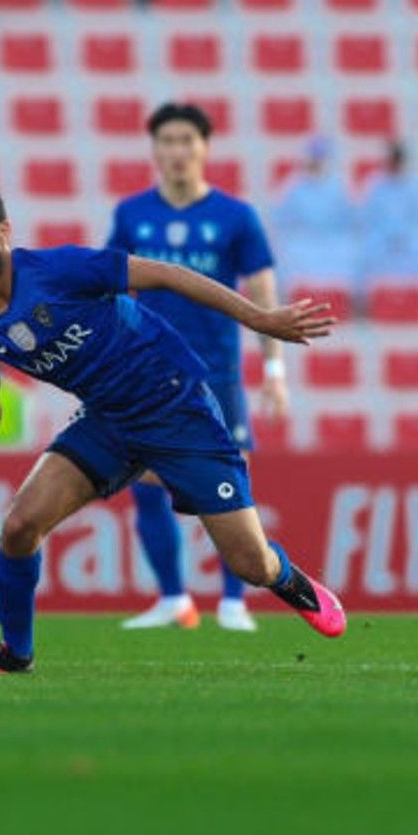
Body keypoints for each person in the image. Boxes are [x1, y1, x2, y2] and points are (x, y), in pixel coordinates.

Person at [0, 182, 343, 674]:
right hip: (107, 420)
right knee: (20, 527)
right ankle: (14, 653)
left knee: (250, 565)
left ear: (2, 231)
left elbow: (168, 274)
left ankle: (291, 581)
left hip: (175, 405)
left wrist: (258, 318)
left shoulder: (58, 269)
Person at [105, 103, 288, 632]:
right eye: (168, 140)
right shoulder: (132, 214)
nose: (178, 150)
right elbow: (111, 287)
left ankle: (233, 601)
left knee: (228, 482)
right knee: (144, 481)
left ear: (205, 147)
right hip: (148, 376)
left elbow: (263, 293)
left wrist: (274, 371)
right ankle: (173, 598)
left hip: (217, 375)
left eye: (188, 139)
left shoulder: (236, 217)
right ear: (154, 150)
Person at [270, 135, 361, 295]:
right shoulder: (292, 187)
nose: (317, 162)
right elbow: (282, 222)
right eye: (314, 157)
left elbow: (350, 221)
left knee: (350, 252)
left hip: (334, 243)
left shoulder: (340, 186)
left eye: (320, 158)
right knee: (288, 255)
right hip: (301, 243)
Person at [352, 140, 418, 305]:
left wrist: (403, 236)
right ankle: (366, 304)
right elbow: (366, 216)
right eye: (392, 159)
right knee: (363, 253)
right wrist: (386, 235)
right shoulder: (375, 184)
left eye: (398, 160)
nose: (395, 164)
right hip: (379, 238)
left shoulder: (416, 185)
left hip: (409, 239)